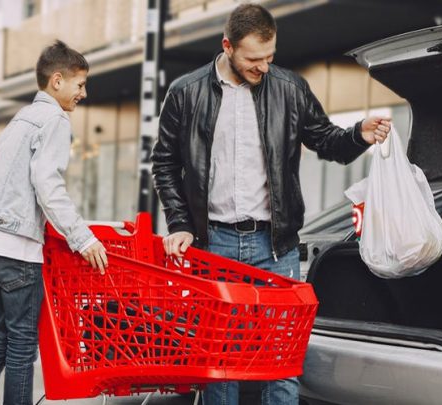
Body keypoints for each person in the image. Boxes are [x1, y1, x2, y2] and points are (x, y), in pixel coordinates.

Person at [151, 4, 390, 405]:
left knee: (280, 361)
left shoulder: (289, 88)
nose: (263, 66)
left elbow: (325, 139)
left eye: (270, 57)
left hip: (275, 247)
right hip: (214, 247)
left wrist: (357, 135)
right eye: (253, 58)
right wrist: (179, 223)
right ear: (227, 46)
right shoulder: (186, 93)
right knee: (221, 365)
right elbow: (165, 164)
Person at [0, 40, 108, 405]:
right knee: (21, 347)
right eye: (79, 85)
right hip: (16, 249)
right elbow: (48, 184)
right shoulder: (54, 120)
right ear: (57, 81)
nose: (84, 93)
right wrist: (84, 238)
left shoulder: (19, 120)